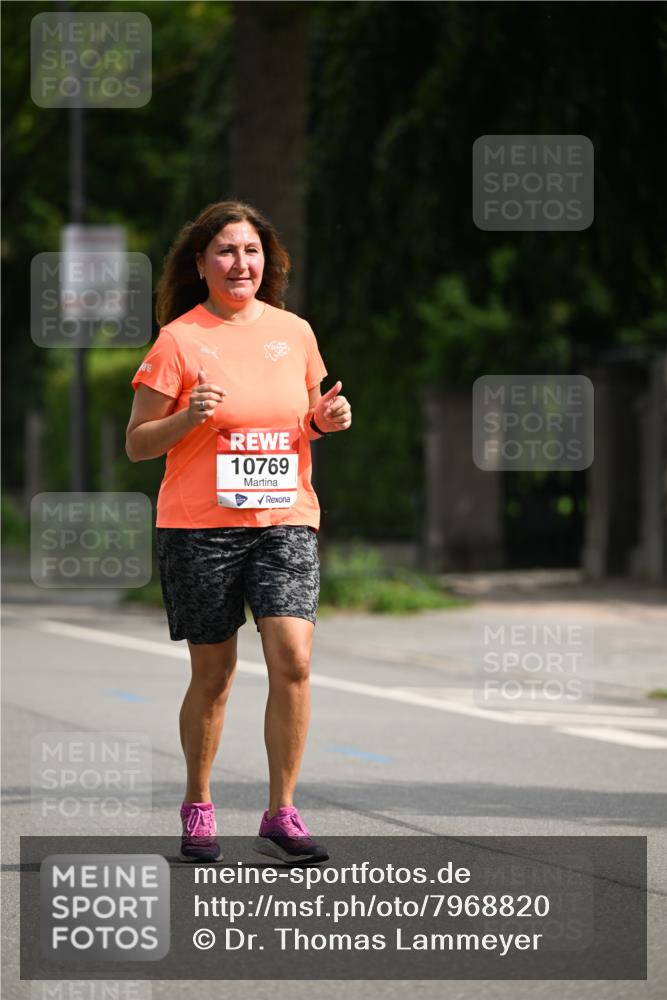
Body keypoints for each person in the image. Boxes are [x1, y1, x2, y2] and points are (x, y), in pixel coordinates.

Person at [126, 200, 351, 864]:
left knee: (294, 660)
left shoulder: (295, 332)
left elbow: (302, 419)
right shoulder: (178, 340)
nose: (239, 263)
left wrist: (325, 420)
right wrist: (189, 417)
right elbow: (138, 445)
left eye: (250, 251)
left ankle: (282, 812)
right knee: (216, 675)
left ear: (267, 262)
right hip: (200, 527)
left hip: (284, 520)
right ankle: (198, 804)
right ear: (200, 264)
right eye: (225, 251)